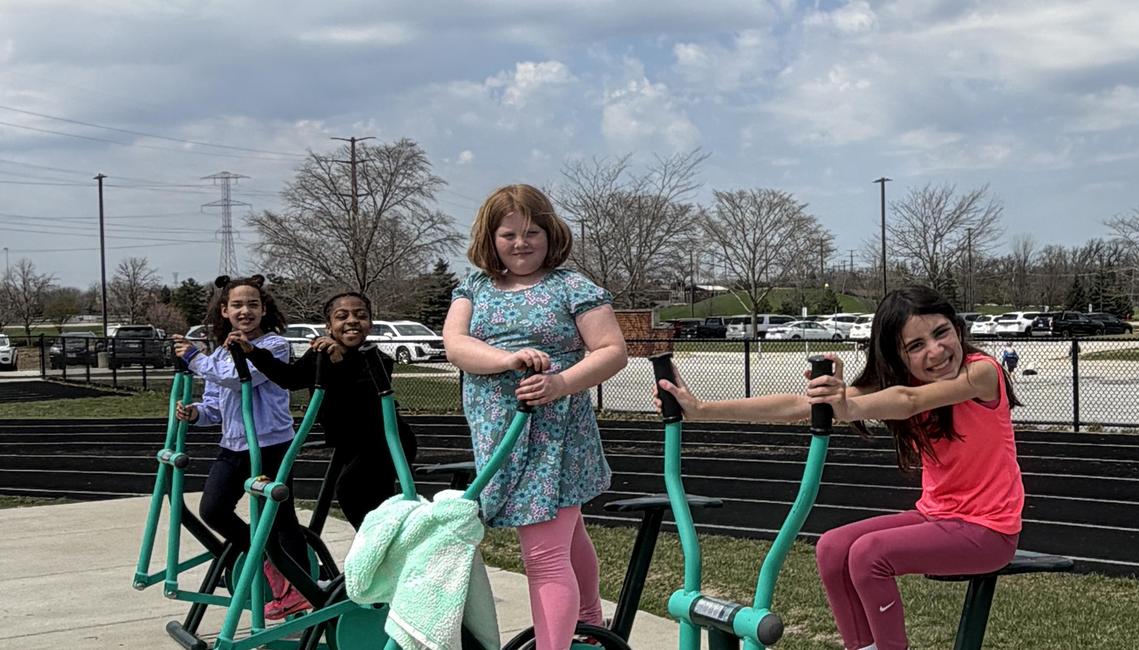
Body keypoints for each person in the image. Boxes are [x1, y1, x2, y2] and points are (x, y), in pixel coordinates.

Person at [657, 286, 1024, 650]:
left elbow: (909, 402)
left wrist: (846, 406)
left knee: (870, 554)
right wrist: (703, 409)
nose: (935, 350)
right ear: (898, 355)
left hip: (990, 531)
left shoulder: (981, 373)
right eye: (915, 346)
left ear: (957, 328)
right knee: (832, 548)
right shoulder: (904, 382)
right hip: (938, 516)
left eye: (941, 332)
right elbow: (800, 406)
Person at [442, 184, 630, 650]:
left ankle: (560, 642)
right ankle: (588, 624)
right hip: (499, 432)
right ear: (491, 238)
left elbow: (612, 351)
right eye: (509, 234)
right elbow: (456, 345)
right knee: (568, 535)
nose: (521, 243)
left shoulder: (571, 287)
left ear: (551, 234)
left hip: (555, 434)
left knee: (544, 555)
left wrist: (560, 383)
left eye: (532, 232)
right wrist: (507, 359)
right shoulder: (475, 287)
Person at [171, 274, 314, 619]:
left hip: (270, 445)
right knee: (213, 510)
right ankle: (269, 561)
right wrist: (194, 414)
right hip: (234, 445)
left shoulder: (274, 346)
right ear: (224, 311)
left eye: (253, 304)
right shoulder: (220, 353)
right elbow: (216, 404)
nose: (245, 311)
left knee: (281, 519)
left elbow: (239, 379)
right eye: (237, 305)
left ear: (264, 309)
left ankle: (301, 588)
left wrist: (194, 358)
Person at [239, 291, 417, 528]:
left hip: (385, 441)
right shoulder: (318, 354)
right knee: (370, 500)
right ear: (329, 327)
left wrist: (338, 360)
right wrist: (253, 352)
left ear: (370, 324)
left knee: (351, 490)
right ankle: (376, 547)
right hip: (352, 443)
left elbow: (363, 398)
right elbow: (290, 379)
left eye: (360, 316)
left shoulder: (377, 359)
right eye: (342, 316)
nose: (352, 321)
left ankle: (376, 547)